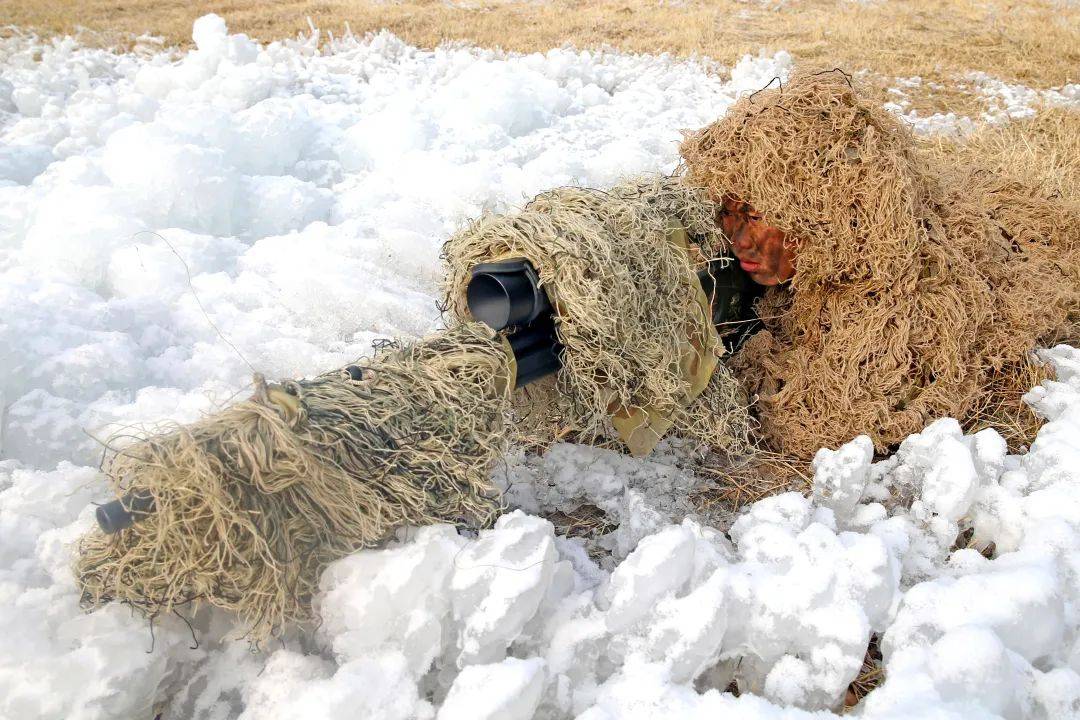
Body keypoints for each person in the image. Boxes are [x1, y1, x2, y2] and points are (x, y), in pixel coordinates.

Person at [681, 70, 1080, 459]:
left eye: (753, 217)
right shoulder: (760, 256)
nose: (739, 240)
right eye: (727, 214)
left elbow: (840, 423)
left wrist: (734, 366)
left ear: (825, 216)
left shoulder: (896, 297)